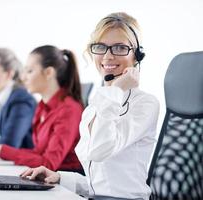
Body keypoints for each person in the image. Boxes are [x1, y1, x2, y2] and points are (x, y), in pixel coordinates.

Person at [20, 12, 160, 200]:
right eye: (100, 47)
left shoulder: (145, 104)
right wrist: (61, 178)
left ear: (137, 55)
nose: (108, 56)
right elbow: (100, 182)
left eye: (119, 47)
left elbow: (101, 150)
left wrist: (115, 90)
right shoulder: (97, 104)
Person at [0, 45, 84, 172]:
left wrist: (0, 150)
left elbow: (48, 164)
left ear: (48, 72)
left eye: (30, 71)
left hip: (65, 185)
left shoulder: (69, 109)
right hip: (46, 179)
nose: (23, 77)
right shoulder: (42, 107)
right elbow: (38, 153)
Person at [0, 48, 36, 148]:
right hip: (5, 162)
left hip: (20, 163)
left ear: (9, 74)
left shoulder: (21, 100)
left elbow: (9, 144)